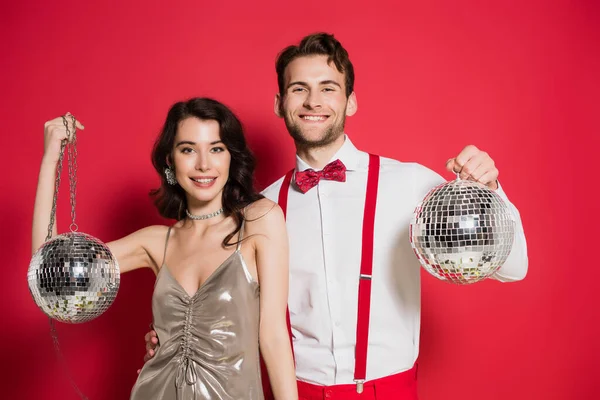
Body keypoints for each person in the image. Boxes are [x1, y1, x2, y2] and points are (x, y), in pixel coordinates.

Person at [144, 34, 529, 400]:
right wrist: (174, 333)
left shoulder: (410, 183)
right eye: (299, 89)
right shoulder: (259, 212)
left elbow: (513, 267)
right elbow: (220, 300)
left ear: (351, 101)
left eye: (328, 87)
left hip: (389, 391)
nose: (314, 101)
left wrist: (489, 191)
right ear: (280, 103)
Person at [32, 98, 298, 400]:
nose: (203, 164)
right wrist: (50, 158)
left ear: (230, 158)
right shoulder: (157, 242)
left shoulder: (260, 220)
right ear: (170, 162)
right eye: (188, 149)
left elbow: (274, 335)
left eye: (216, 148)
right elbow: (48, 272)